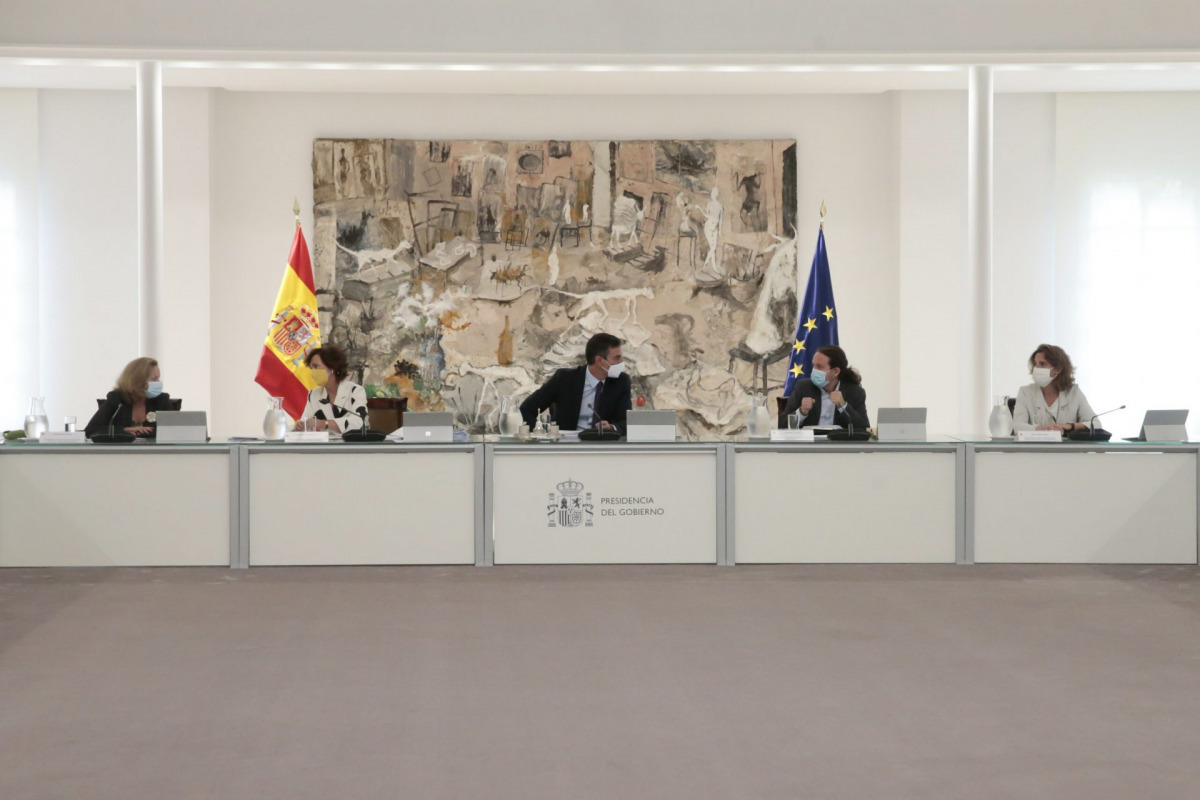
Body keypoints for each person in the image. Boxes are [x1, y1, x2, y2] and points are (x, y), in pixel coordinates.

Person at [520, 333, 632, 432]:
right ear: (600, 361)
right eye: (617, 358)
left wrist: (612, 427)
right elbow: (527, 408)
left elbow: (626, 421)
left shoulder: (621, 382)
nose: (621, 362)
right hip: (566, 444)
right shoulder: (564, 379)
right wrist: (542, 433)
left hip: (603, 445)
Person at [779, 345, 870, 430]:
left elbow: (864, 429)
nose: (814, 370)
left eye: (819, 367)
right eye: (813, 365)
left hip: (838, 441)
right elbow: (782, 426)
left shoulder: (855, 392)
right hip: (810, 441)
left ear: (835, 372)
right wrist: (802, 412)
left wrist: (843, 405)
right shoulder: (803, 387)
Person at [1012, 344, 1096, 432]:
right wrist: (1042, 430)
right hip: (1036, 441)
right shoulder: (1025, 392)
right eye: (1035, 364)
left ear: (1058, 369)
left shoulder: (1074, 392)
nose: (1036, 368)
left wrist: (1069, 426)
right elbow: (1017, 426)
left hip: (1065, 441)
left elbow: (1095, 424)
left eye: (1042, 364)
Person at [85, 357, 174, 439]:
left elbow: (174, 432)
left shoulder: (162, 399)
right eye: (154, 379)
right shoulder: (117, 398)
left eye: (158, 379)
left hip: (155, 451)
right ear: (137, 380)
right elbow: (91, 430)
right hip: (121, 450)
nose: (158, 383)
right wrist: (124, 430)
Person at [295, 345, 367, 433]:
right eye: (311, 368)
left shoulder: (355, 391)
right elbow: (306, 422)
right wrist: (300, 425)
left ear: (332, 367)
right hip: (326, 442)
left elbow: (359, 422)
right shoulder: (313, 394)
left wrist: (323, 424)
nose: (312, 372)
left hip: (353, 441)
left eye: (316, 366)